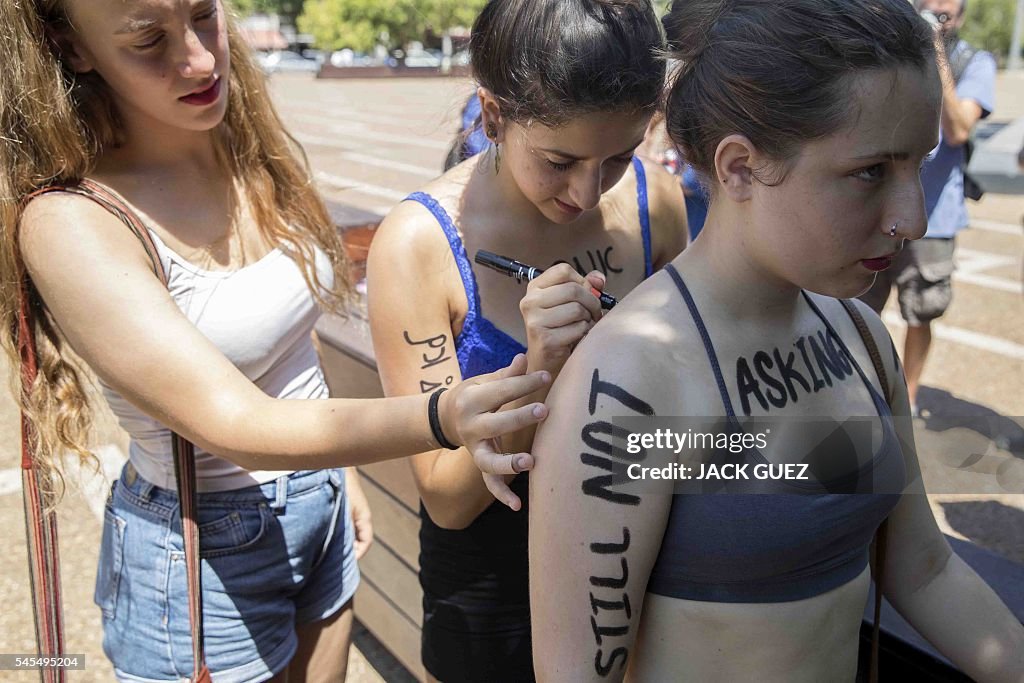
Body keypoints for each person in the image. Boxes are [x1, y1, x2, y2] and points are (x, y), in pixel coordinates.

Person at [0, 1, 553, 681]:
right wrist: (445, 414)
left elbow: (284, 340)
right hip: (202, 549)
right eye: (148, 41)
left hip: (319, 505)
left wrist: (339, 473)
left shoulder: (241, 147)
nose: (200, 58)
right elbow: (236, 422)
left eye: (204, 14)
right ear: (71, 46)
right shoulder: (71, 221)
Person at [529, 0, 1024, 681]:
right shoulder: (630, 383)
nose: (909, 216)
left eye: (919, 164)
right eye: (871, 172)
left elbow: (925, 569)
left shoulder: (859, 336)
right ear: (738, 168)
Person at [366, 1, 687, 680]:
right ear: (492, 115)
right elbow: (447, 499)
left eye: (619, 156)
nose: (589, 192)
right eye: (560, 160)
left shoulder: (656, 202)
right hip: (490, 590)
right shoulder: (419, 244)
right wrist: (541, 367)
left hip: (633, 554)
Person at [860, 0, 996, 416]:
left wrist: (933, 52)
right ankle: (861, 394)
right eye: (926, 7)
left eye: (945, 12)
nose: (934, 14)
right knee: (858, 309)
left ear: (960, 18)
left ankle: (909, 398)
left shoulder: (973, 61)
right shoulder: (891, 55)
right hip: (876, 210)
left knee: (921, 312)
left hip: (935, 216)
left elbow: (957, 129)